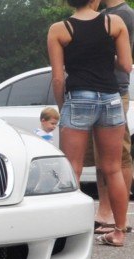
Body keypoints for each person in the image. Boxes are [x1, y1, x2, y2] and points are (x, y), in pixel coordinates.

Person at [47, 0, 132, 247]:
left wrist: (63, 107)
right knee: (113, 168)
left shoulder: (59, 29)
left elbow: (57, 77)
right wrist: (106, 57)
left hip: (79, 97)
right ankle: (118, 231)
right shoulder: (113, 22)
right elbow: (126, 65)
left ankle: (67, 233)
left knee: (72, 167)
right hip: (111, 97)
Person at [91, 0, 134, 235]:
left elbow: (124, 61)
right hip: (101, 88)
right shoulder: (104, 13)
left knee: (119, 155)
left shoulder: (124, 15)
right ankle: (105, 211)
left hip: (116, 89)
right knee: (102, 155)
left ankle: (118, 216)